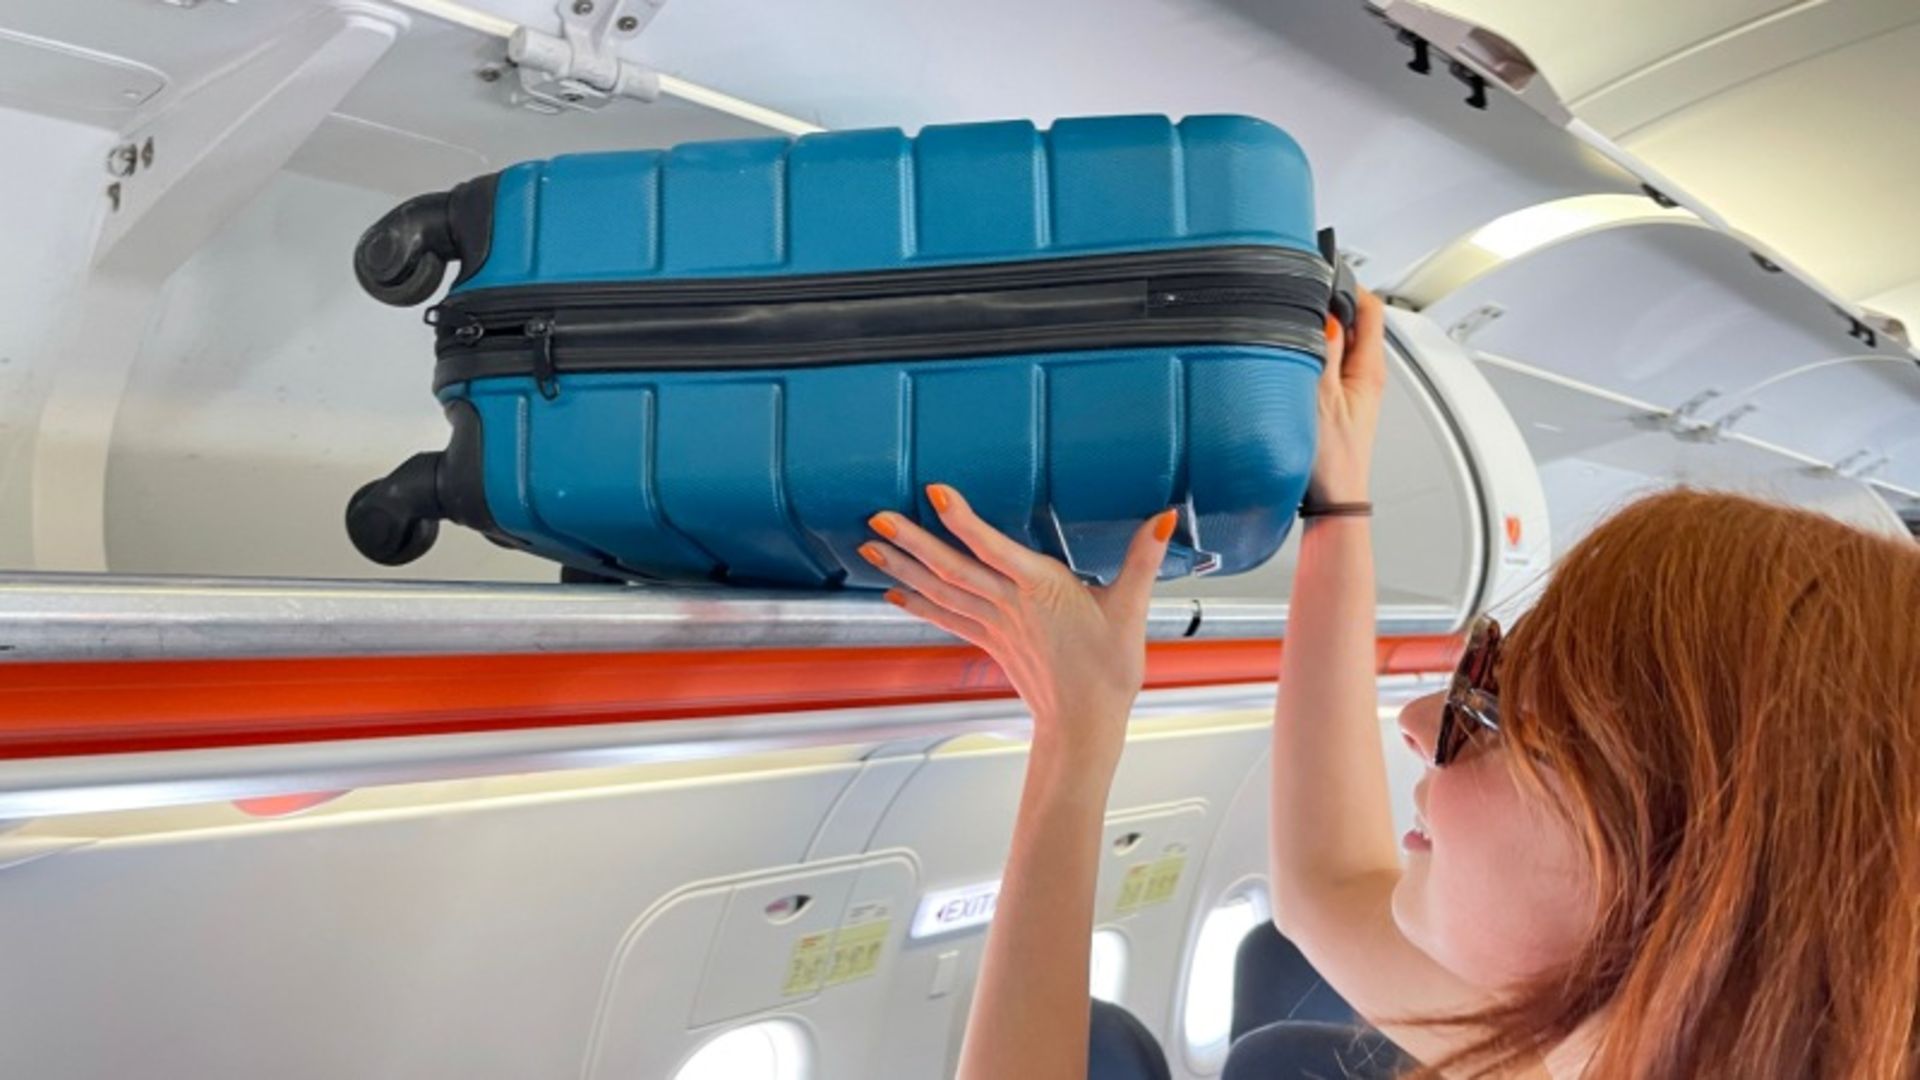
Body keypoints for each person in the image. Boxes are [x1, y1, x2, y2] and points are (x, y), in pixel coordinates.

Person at [859, 288, 1920, 1079]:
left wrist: (1075, 746)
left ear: (1678, 846)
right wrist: (1337, 512)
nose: (1417, 720)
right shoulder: (1587, 1047)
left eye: (1497, 718)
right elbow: (1328, 890)